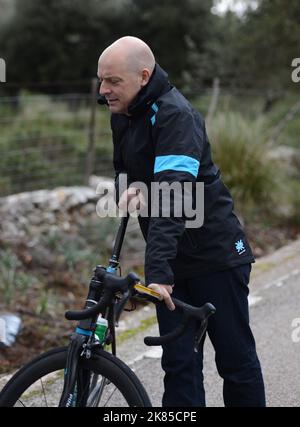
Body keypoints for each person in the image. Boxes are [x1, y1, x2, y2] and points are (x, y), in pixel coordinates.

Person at [97, 36, 266, 407]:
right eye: (101, 80)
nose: (103, 89)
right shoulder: (123, 114)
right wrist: (126, 188)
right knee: (179, 366)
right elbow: (126, 168)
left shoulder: (175, 115)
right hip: (173, 256)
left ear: (143, 76)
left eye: (112, 81)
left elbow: (175, 197)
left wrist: (157, 273)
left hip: (217, 256)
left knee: (235, 363)